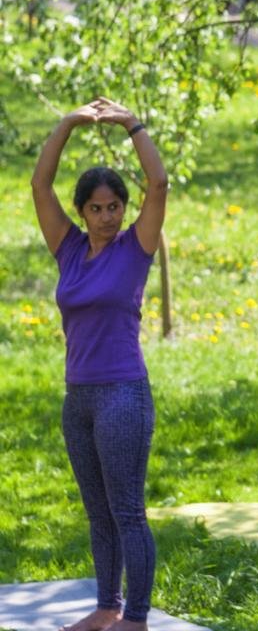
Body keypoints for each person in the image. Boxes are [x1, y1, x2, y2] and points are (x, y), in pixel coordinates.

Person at [31, 98, 168, 631]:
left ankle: (135, 616)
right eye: (98, 207)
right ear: (83, 210)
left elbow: (159, 186)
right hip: (79, 398)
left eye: (115, 206)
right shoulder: (67, 248)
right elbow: (40, 188)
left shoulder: (136, 247)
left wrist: (132, 123)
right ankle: (107, 606)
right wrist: (65, 124)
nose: (108, 216)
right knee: (98, 514)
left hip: (123, 395)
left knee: (128, 511)